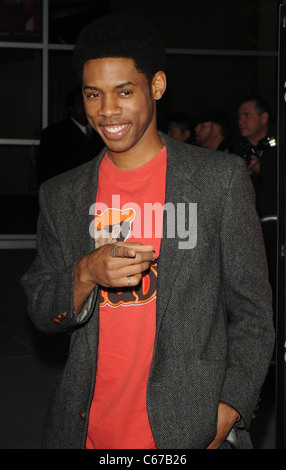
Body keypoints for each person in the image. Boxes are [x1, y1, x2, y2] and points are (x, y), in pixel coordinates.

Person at [21, 15, 275, 450]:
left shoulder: (218, 180)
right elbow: (43, 311)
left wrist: (231, 406)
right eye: (93, 95)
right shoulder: (61, 196)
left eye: (124, 91)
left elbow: (253, 313)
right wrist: (84, 273)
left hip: (188, 430)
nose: (107, 110)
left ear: (156, 86)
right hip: (88, 429)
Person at [232, 96, 277, 313]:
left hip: (272, 231)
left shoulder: (276, 148)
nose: (241, 121)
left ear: (264, 117)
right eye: (239, 116)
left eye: (247, 115)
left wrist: (262, 169)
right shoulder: (235, 149)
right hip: (243, 231)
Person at [36, 86, 104, 185]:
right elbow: (45, 172)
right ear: (70, 108)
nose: (85, 109)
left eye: (88, 104)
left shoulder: (102, 130)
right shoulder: (53, 134)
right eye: (80, 105)